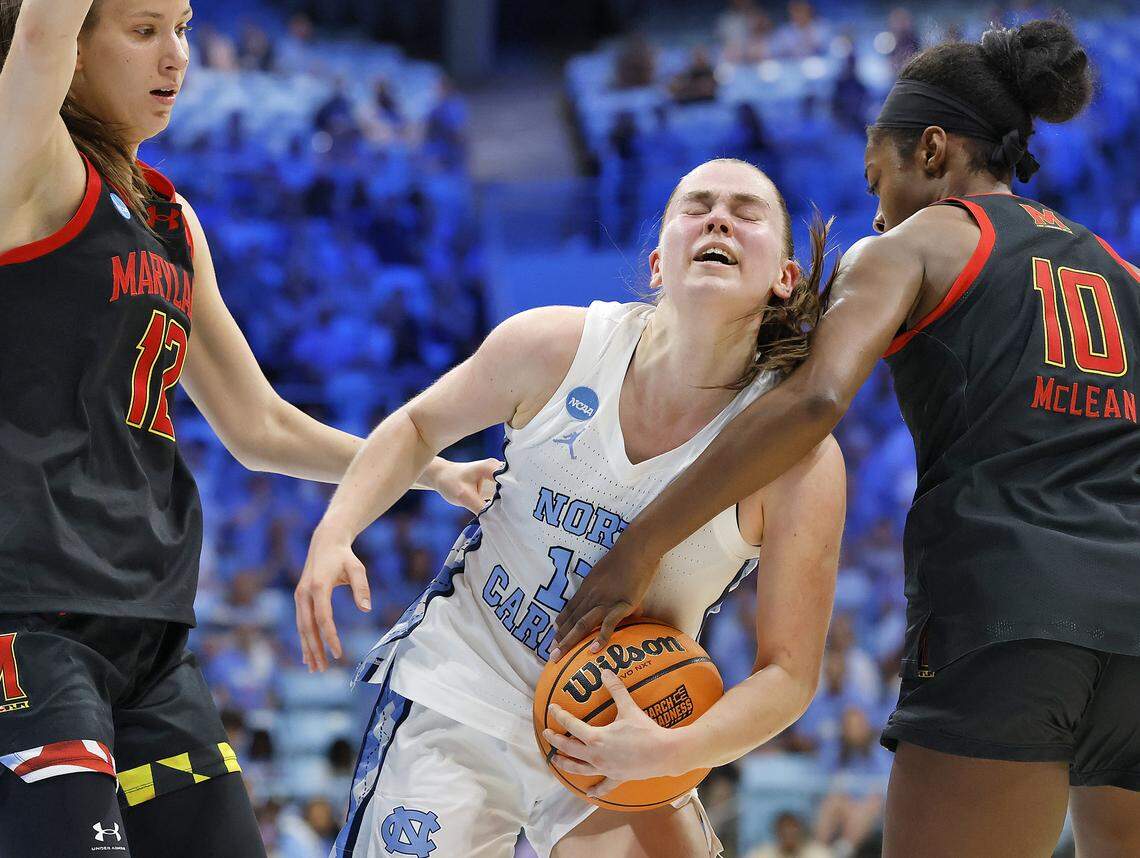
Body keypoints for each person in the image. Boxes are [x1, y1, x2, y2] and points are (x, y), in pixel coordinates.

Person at [553, 18, 1140, 858]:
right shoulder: (1123, 274)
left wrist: (641, 544)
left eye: (879, 180)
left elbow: (815, 400)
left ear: (932, 152)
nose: (875, 208)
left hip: (1009, 611)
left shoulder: (918, 242)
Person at [0, 2, 494, 855]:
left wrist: (426, 470)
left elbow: (258, 424)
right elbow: (37, 31)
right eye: (145, 30)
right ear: (72, 52)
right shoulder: (26, 169)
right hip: (30, 618)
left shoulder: (171, 221)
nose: (177, 57)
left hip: (150, 630)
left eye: (184, 28)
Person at [296, 157, 846, 857]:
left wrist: (671, 747)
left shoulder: (798, 458)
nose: (718, 218)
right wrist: (336, 528)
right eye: (697, 206)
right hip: (464, 686)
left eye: (746, 211)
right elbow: (418, 427)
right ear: (656, 263)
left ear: (783, 279)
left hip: (625, 722)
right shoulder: (554, 346)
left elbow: (789, 676)